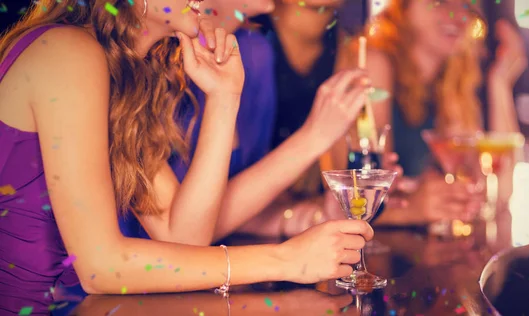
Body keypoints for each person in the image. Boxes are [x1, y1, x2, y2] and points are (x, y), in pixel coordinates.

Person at [0, 0, 374, 313]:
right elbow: (100, 266)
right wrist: (285, 259)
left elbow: (185, 238)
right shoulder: (67, 51)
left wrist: (224, 97)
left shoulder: (123, 80)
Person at [141, 0, 378, 241]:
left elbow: (234, 208)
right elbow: (182, 237)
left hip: (207, 264)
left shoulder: (253, 52)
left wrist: (311, 216)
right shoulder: (136, 66)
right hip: (153, 269)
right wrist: (313, 137)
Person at [334, 0, 527, 225]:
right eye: (440, 2)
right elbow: (358, 200)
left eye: (466, 6)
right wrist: (414, 208)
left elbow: (498, 192)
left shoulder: (454, 81)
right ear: (403, 6)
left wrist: (500, 83)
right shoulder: (375, 65)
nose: (457, 15)